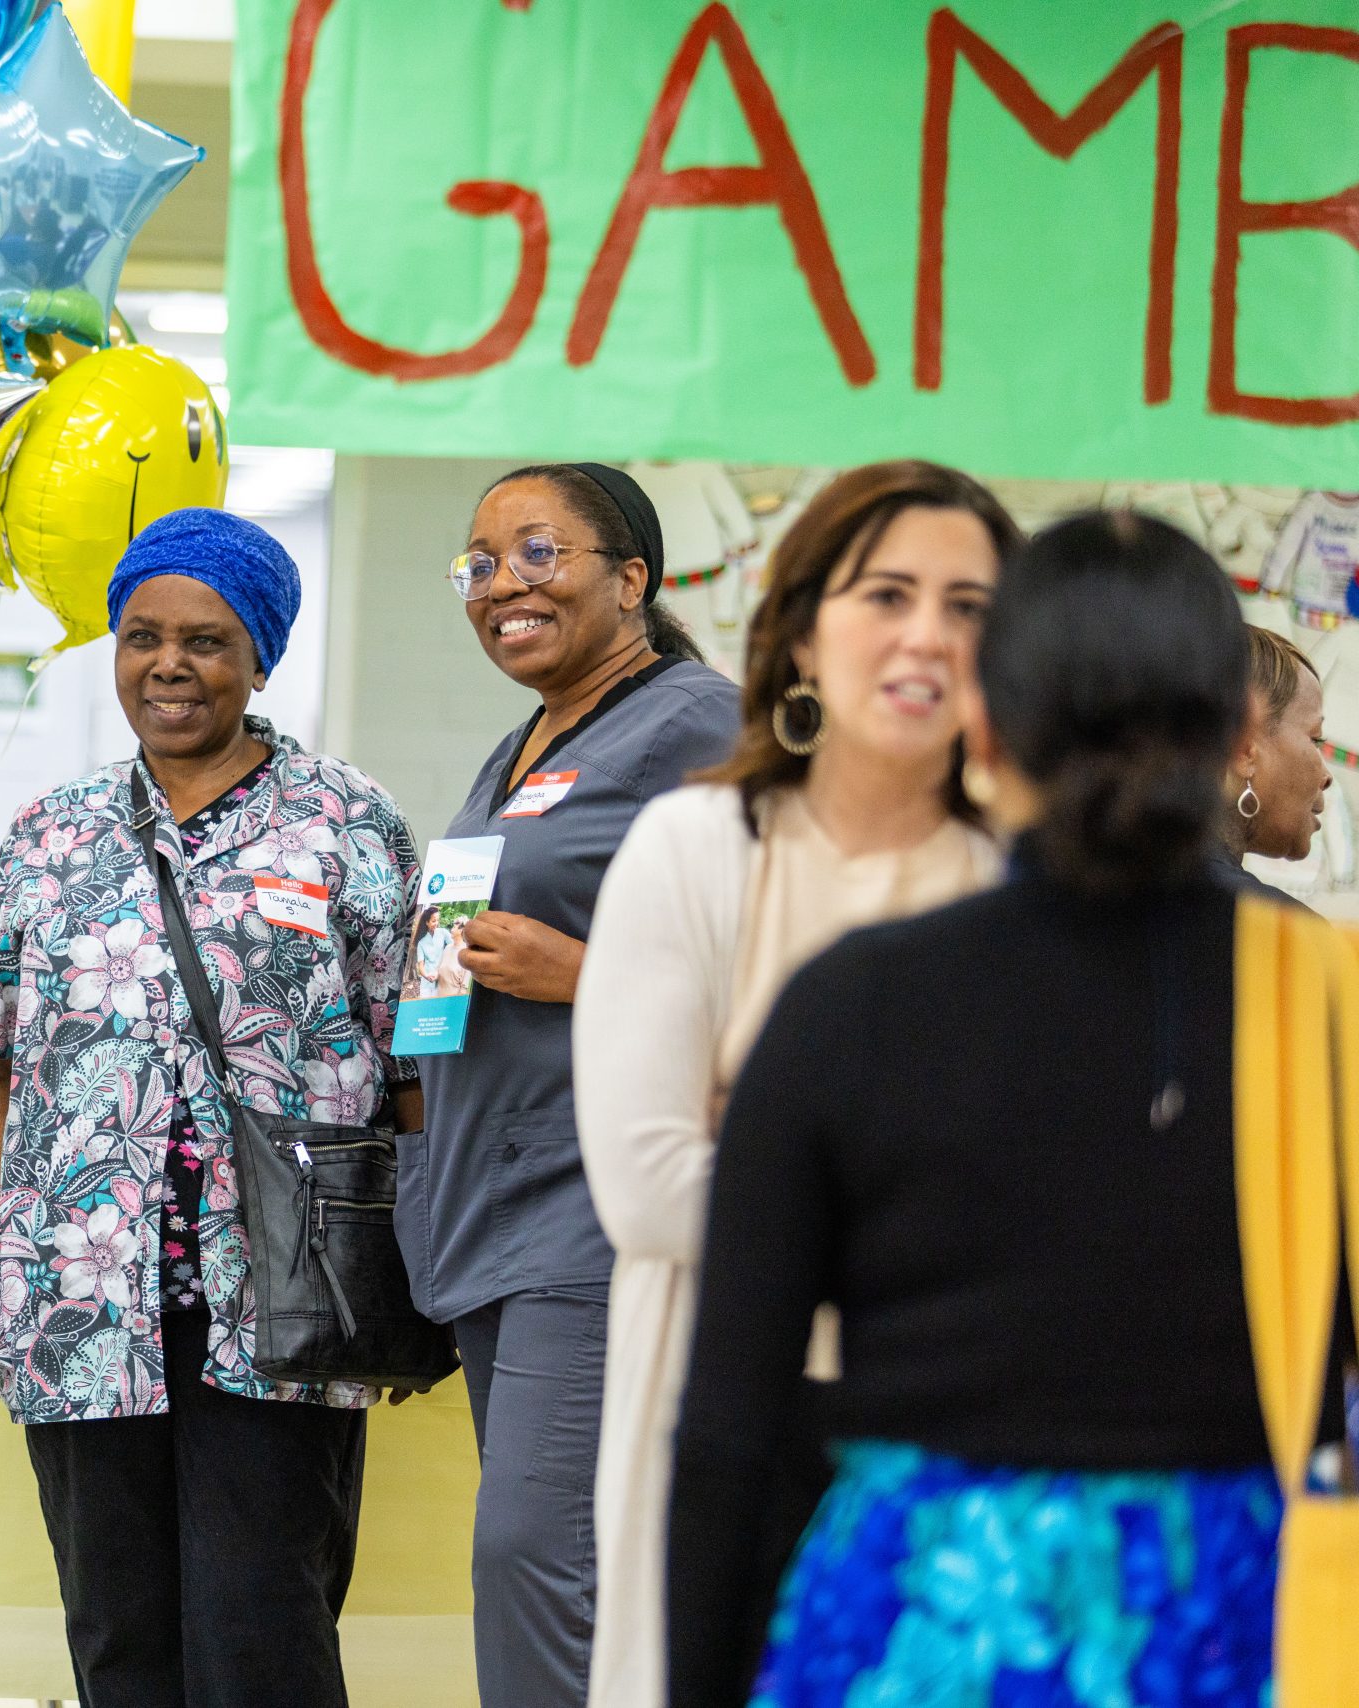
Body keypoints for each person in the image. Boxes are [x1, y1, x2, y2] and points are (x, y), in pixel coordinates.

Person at [669, 511, 1316, 1708]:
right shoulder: (1337, 1006)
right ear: (1235, 730)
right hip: (1241, 1614)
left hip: (925, 1619)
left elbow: (727, 1430)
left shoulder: (849, 1005)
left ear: (984, 724)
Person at [0, 508, 420, 1708]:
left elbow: (414, 1070)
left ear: (259, 656)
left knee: (265, 1631)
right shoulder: (53, 835)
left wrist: (417, 1259)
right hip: (80, 1296)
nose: (168, 665)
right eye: (141, 635)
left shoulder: (350, 828)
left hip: (285, 1306)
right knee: (117, 1636)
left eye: (205, 640)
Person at [571, 461, 1018, 1708]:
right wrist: (919, 1190)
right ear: (804, 634)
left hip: (955, 1420)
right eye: (887, 593)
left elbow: (1055, 1197)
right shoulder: (700, 847)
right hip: (726, 1404)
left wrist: (771, 1146)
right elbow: (649, 1187)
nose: (927, 633)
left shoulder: (1022, 882)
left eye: (971, 606)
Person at [399, 462, 738, 1707]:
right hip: (481, 1208)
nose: (501, 586)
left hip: (592, 1211)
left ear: (632, 579)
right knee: (566, 1559)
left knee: (538, 1556)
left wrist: (580, 972)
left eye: (537, 554)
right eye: (479, 565)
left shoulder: (699, 724)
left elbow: (782, 977)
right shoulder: (522, 741)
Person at [1220, 624, 1330, 904]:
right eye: (1315, 739)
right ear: (1245, 750)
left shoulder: (1105, 891)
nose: (1327, 776)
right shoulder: (1282, 932)